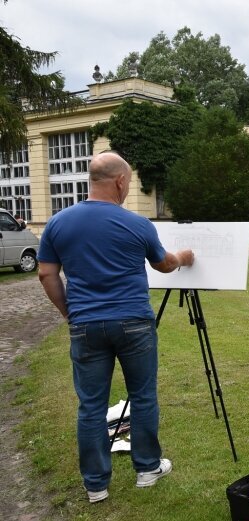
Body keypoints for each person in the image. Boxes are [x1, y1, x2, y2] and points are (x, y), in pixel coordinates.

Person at [37, 151, 195, 504]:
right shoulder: (136, 224)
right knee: (142, 396)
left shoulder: (58, 223)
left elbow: (46, 273)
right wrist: (184, 257)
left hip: (85, 325)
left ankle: (96, 485)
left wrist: (68, 312)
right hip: (134, 324)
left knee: (91, 405)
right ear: (121, 181)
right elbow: (165, 264)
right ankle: (147, 469)